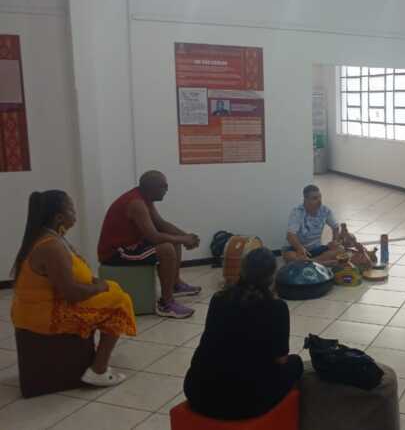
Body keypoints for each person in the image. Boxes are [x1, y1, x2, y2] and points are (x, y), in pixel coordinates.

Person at [11, 190, 136, 386]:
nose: (75, 214)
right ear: (59, 217)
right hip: (47, 316)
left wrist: (98, 284)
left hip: (44, 308)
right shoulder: (50, 246)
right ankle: (98, 370)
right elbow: (72, 294)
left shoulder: (50, 238)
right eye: (71, 209)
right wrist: (98, 288)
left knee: (114, 288)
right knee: (120, 302)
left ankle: (95, 359)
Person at [184, 247, 303, 420]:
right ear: (272, 277)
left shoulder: (219, 298)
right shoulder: (277, 308)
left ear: (242, 270)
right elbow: (281, 359)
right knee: (296, 363)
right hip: (246, 403)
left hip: (197, 391)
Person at [98, 170, 202, 319]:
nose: (167, 189)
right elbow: (154, 236)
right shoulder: (136, 203)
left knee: (174, 240)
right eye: (163, 186)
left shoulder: (144, 198)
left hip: (132, 245)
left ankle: (176, 284)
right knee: (166, 248)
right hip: (116, 253)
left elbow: (161, 224)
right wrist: (184, 239)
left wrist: (185, 236)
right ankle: (166, 304)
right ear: (151, 188)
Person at [282, 184, 340, 264]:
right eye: (315, 198)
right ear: (305, 199)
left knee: (340, 249)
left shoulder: (325, 210)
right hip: (297, 249)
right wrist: (300, 248)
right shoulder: (297, 212)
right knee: (290, 256)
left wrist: (335, 241)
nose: (319, 201)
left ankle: (310, 262)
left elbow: (335, 227)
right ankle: (320, 263)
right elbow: (290, 235)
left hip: (316, 248)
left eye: (320, 197)